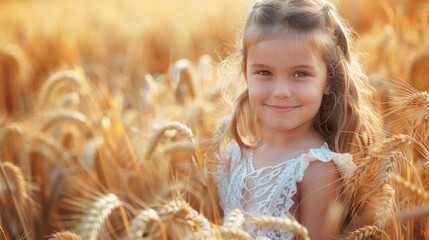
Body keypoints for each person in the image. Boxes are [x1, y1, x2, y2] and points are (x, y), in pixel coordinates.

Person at [212, 0, 384, 239]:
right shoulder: (235, 154)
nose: (281, 90)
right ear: (246, 73)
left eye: (300, 74)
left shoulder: (316, 169)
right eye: (264, 72)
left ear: (328, 81)